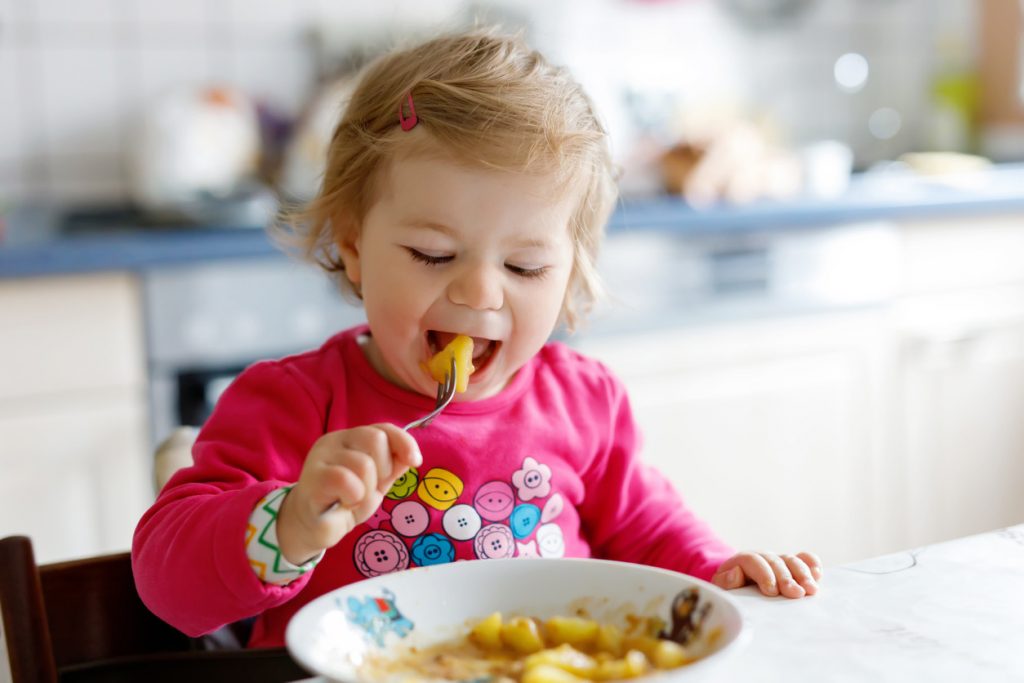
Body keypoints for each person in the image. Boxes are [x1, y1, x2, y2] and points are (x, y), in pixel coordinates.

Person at [132, 28, 822, 649]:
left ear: (571, 273)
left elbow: (649, 528)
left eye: (524, 266)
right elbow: (168, 588)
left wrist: (715, 570)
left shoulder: (583, 401)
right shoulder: (293, 404)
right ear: (354, 247)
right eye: (434, 254)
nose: (481, 293)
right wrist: (288, 523)